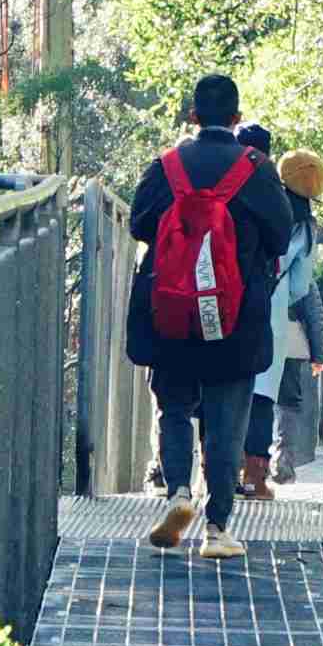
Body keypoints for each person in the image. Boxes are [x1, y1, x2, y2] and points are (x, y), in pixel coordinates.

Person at [123, 74, 302, 553]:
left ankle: (178, 491)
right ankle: (218, 527)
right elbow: (281, 238)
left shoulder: (167, 166)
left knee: (175, 406)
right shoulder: (257, 169)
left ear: (193, 116)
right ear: (237, 119)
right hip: (235, 314)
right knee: (226, 419)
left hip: (174, 310)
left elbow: (140, 223)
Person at [244, 149, 323, 498]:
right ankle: (255, 476)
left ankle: (220, 470)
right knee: (264, 396)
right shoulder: (306, 229)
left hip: (236, 304)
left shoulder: (261, 206)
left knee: (234, 390)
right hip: (272, 314)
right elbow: (299, 286)